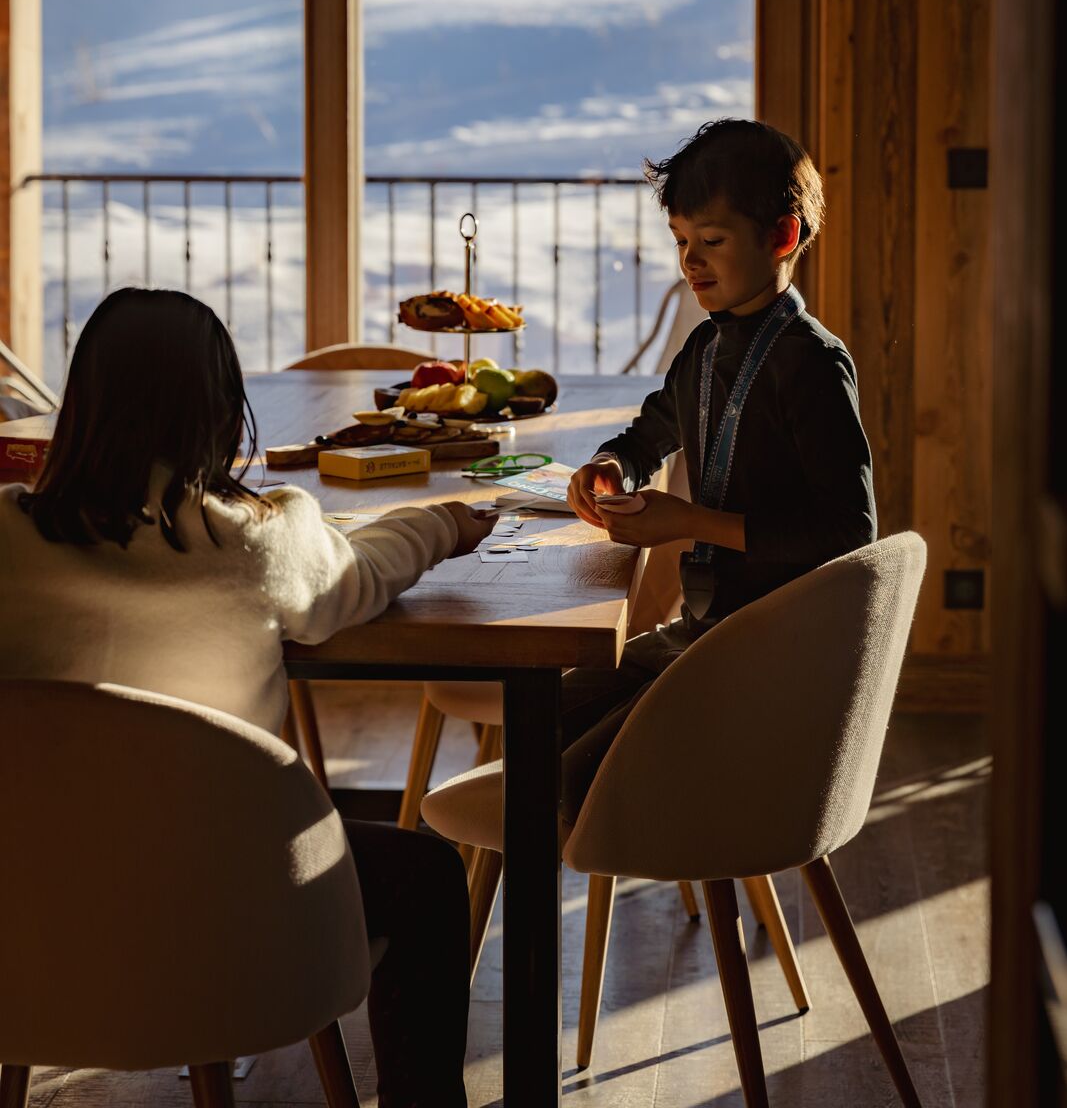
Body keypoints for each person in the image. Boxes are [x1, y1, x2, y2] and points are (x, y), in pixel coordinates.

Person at [0, 287, 493, 1108]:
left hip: (30, 913)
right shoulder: (264, 537)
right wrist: (441, 522)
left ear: (77, 404)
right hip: (230, 912)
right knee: (429, 876)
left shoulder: (6, 538)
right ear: (222, 413)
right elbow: (358, 577)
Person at [563, 118, 876, 823]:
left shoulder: (810, 364)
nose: (690, 263)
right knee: (550, 715)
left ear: (781, 237)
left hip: (773, 654)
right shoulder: (705, 347)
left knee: (565, 763)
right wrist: (610, 467)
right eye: (680, 242)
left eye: (711, 241)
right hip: (706, 635)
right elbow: (651, 432)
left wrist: (690, 525)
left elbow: (847, 532)